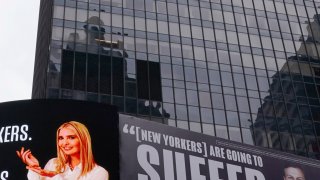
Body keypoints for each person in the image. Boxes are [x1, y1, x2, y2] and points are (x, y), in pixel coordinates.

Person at [17, 121, 109, 180]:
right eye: (61, 138)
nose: (65, 143)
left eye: (71, 137)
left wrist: (54, 176)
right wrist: (34, 168)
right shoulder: (53, 163)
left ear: (83, 140)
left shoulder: (99, 173)